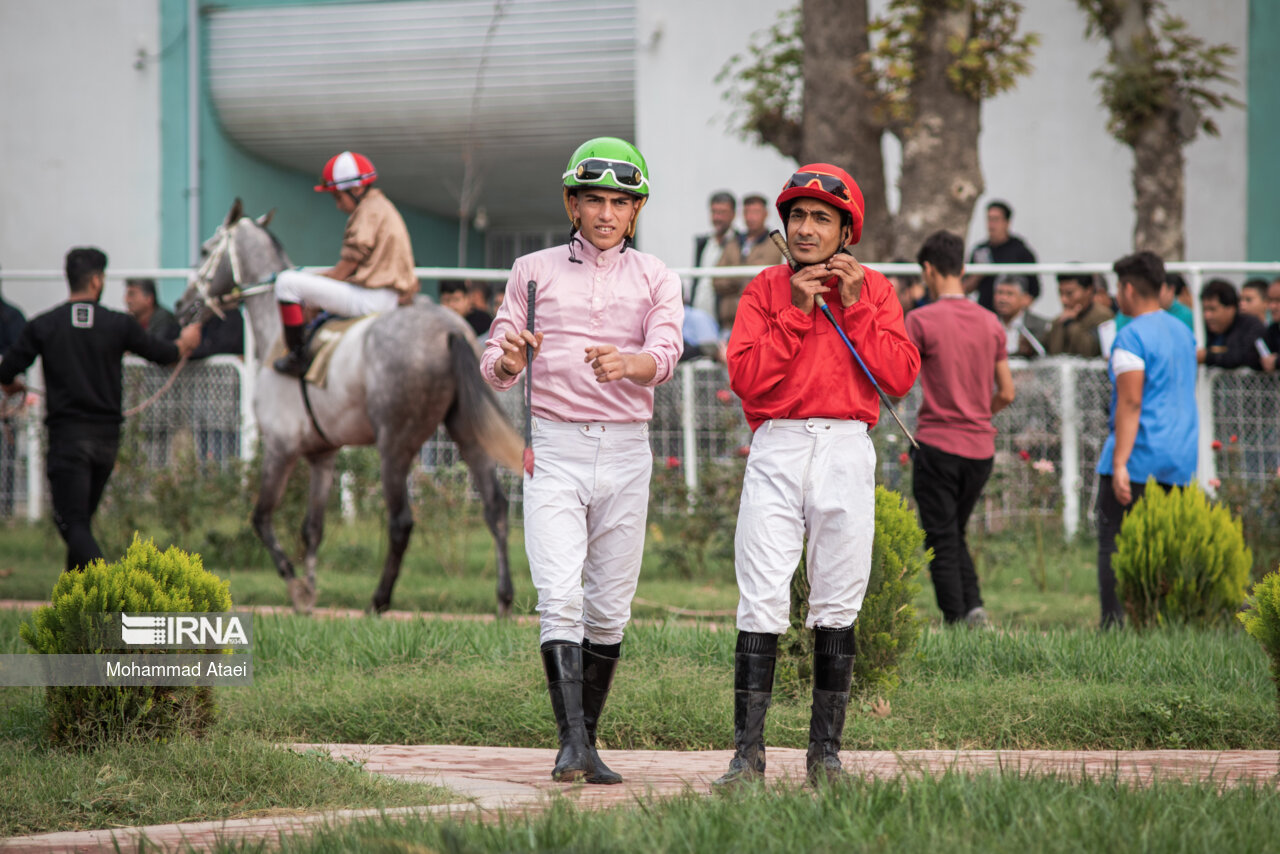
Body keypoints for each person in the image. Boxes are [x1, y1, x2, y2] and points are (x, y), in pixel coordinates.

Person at [481, 137, 682, 785]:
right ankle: (571, 745)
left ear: (636, 210)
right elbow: (496, 357)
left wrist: (632, 363)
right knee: (559, 596)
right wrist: (510, 361)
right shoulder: (530, 270)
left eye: (620, 203)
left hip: (626, 451)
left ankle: (585, 743)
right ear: (571, 204)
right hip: (555, 448)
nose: (605, 214)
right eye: (593, 200)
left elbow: (667, 352)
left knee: (610, 609)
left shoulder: (657, 276)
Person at [717, 163, 919, 787]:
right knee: (761, 595)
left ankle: (825, 756)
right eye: (798, 216)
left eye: (821, 219)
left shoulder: (875, 289)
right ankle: (747, 757)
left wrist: (854, 308)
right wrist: (796, 312)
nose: (806, 229)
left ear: (845, 231)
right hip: (777, 445)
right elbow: (746, 378)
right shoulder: (764, 289)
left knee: (838, 598)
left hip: (846, 447)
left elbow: (899, 375)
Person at [0, 248, 200, 570]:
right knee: (80, 522)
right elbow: (163, 353)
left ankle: (109, 586)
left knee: (71, 522)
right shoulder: (119, 324)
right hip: (107, 441)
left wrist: (12, 386)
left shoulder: (45, 325)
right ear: (96, 281)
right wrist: (185, 342)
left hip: (68, 439)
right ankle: (77, 595)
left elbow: (7, 369)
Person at [907, 231, 1015, 627]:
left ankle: (956, 619)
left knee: (940, 535)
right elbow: (1007, 392)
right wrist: (979, 414)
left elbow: (899, 380)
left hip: (937, 443)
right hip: (980, 449)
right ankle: (974, 609)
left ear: (928, 270)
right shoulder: (990, 322)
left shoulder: (920, 320)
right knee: (955, 530)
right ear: (963, 268)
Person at [1096, 251, 1197, 628]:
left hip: (1139, 455)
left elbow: (1131, 401)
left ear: (1127, 289)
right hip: (1180, 455)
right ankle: (1159, 624)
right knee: (1165, 546)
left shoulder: (1131, 335)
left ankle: (1114, 626)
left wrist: (1120, 462)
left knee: (1114, 541)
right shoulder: (1184, 332)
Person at [274, 151, 418, 376]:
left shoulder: (368, 211)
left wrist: (312, 291)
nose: (338, 205)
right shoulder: (383, 206)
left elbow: (343, 271)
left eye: (338, 197)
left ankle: (296, 356)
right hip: (387, 297)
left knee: (286, 283)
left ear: (357, 189)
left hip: (371, 300)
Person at [714, 193, 783, 332]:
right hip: (728, 322)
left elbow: (759, 279)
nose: (751, 217)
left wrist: (732, 274)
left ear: (766, 214)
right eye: (747, 212)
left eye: (756, 212)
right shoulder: (733, 242)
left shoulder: (774, 243)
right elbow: (717, 279)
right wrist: (744, 277)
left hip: (759, 321)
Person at [964, 200, 1038, 312]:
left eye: (996, 219)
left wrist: (1016, 311)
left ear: (1007, 222)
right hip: (985, 312)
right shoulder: (980, 251)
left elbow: (1034, 291)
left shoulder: (1020, 250)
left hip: (1009, 316)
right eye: (989, 219)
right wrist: (978, 274)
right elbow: (965, 288)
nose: (991, 225)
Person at [689, 191, 741, 323]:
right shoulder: (703, 242)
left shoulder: (741, 243)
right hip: (698, 316)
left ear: (733, 214)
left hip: (726, 320)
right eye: (714, 212)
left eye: (722, 212)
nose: (717, 217)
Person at [0, 269, 27, 518]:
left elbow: (19, 359)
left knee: (6, 451)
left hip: (5, 397)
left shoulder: (11, 318)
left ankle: (5, 506)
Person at [1197, 279, 1264, 370]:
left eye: (1212, 309)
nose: (1207, 316)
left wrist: (1207, 356)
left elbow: (1243, 357)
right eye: (1204, 310)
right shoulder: (1203, 329)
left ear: (1231, 308)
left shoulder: (1251, 326)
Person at [1046, 272, 1112, 357]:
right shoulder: (1058, 321)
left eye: (1069, 293)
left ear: (1088, 290)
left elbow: (1090, 351)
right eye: (1060, 293)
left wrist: (1070, 324)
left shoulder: (1103, 317)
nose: (1063, 300)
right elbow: (1047, 350)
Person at [992, 274, 1048, 357]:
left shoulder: (1041, 326)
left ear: (1024, 298)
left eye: (1009, 294)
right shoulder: (987, 325)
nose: (1003, 299)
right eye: (1000, 293)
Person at [1261, 279, 1280, 372]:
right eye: (1270, 300)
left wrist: (1276, 362)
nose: (1272, 306)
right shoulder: (1272, 330)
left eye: (1278, 300)